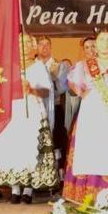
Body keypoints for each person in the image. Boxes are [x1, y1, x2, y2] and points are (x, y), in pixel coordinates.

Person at [0, 34, 58, 203]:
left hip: (32, 112)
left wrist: (31, 90)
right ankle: (15, 189)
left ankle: (28, 191)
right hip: (13, 113)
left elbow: (46, 91)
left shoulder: (38, 66)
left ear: (33, 47)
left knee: (30, 149)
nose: (24, 47)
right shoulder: (9, 67)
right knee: (15, 149)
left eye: (28, 44)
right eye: (20, 43)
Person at [62, 29, 108, 202]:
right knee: (91, 149)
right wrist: (81, 92)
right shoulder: (86, 64)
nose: (105, 43)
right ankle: (87, 195)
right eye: (101, 40)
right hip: (93, 110)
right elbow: (71, 81)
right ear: (96, 43)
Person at [35, 35, 71, 182]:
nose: (44, 47)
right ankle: (36, 176)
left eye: (47, 45)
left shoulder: (60, 65)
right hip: (35, 109)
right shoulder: (31, 65)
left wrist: (54, 77)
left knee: (56, 142)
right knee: (36, 141)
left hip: (54, 108)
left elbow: (62, 88)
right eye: (41, 44)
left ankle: (56, 177)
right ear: (36, 47)